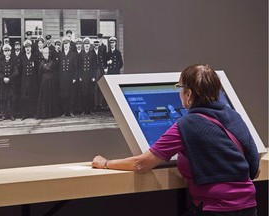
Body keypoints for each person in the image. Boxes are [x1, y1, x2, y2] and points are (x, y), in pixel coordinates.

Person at [92, 64, 260, 216]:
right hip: (249, 207)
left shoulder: (187, 124)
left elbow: (141, 164)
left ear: (188, 94)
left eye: (180, 87)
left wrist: (105, 163)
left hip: (214, 209)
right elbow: (255, 169)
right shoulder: (234, 116)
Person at [36, 47, 58, 119]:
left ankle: (51, 113)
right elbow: (39, 74)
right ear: (43, 54)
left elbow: (55, 72)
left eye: (47, 53)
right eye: (44, 53)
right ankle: (44, 114)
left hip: (51, 82)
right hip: (44, 82)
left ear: (49, 54)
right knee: (44, 97)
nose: (46, 54)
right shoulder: (41, 63)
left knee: (51, 96)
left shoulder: (52, 62)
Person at [19, 39, 38, 120]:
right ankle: (25, 114)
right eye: (26, 47)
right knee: (24, 97)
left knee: (33, 96)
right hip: (24, 81)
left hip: (33, 81)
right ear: (24, 48)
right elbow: (20, 70)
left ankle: (33, 113)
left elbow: (37, 70)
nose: (27, 48)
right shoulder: (22, 57)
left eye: (29, 47)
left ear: (31, 48)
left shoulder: (34, 57)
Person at [0, 44, 18, 121]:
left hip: (11, 83)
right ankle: (4, 114)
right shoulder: (1, 61)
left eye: (8, 51)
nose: (7, 53)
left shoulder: (13, 61)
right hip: (3, 84)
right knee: (4, 98)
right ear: (3, 52)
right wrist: (3, 78)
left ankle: (11, 114)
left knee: (11, 99)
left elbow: (16, 72)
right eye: (5, 51)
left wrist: (9, 78)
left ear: (10, 52)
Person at [78, 37, 97, 115]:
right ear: (84, 45)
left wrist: (93, 76)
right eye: (85, 44)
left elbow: (94, 66)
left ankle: (90, 109)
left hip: (90, 76)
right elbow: (79, 66)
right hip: (83, 76)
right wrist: (80, 76)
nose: (86, 46)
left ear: (90, 45)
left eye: (88, 44)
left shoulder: (92, 54)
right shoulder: (81, 54)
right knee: (83, 93)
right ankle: (84, 110)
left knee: (90, 93)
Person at [59, 36, 76, 117]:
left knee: (71, 95)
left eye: (67, 43)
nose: (66, 45)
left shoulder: (73, 54)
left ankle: (71, 111)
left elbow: (75, 67)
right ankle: (64, 111)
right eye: (64, 44)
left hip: (70, 77)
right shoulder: (61, 54)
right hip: (63, 78)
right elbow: (59, 67)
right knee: (63, 95)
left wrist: (74, 78)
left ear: (69, 44)